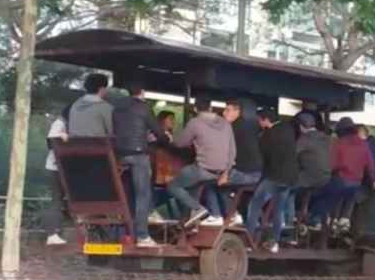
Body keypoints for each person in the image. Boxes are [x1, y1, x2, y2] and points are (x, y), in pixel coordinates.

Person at [112, 82, 171, 248]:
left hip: (120, 156)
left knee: (128, 193)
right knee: (142, 194)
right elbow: (157, 131)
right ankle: (143, 235)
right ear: (142, 92)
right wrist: (166, 139)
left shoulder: (116, 107)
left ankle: (124, 232)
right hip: (139, 155)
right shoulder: (143, 107)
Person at [168, 98, 236, 227]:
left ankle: (198, 209)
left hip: (203, 171)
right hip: (221, 173)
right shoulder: (225, 123)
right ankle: (190, 222)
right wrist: (226, 173)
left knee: (173, 186)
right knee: (192, 187)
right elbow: (232, 150)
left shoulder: (195, 122)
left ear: (195, 109)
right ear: (210, 108)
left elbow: (180, 143)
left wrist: (171, 139)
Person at [309, 117, 375, 231]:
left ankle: (318, 221)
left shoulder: (339, 143)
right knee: (342, 195)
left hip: (341, 180)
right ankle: (341, 220)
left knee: (319, 194)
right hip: (355, 184)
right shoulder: (364, 144)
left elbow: (332, 164)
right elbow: (370, 164)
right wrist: (374, 180)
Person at [246, 108, 297, 253]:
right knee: (278, 209)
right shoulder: (288, 129)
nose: (259, 124)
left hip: (274, 177)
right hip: (290, 177)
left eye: (259, 121)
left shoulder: (267, 136)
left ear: (266, 120)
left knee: (255, 204)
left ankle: (249, 239)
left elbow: (262, 159)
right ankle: (275, 242)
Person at [205, 99, 262, 225]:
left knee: (208, 181)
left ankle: (215, 215)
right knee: (221, 185)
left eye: (228, 110)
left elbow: (228, 154)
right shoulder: (247, 125)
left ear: (238, 111)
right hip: (255, 173)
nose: (224, 113)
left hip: (247, 173)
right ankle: (233, 215)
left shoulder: (234, 128)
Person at [284, 113, 331, 226]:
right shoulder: (326, 138)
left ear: (301, 126)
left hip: (310, 177)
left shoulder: (305, 138)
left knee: (285, 188)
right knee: (303, 191)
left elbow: (291, 155)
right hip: (326, 177)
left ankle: (288, 223)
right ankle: (312, 219)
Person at [352, 125, 375, 235]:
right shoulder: (370, 145)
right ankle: (360, 234)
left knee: (370, 210)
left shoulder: (367, 146)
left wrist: (374, 181)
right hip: (371, 182)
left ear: (361, 134)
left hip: (373, 182)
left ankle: (366, 236)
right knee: (368, 209)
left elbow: (372, 164)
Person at [44, 105, 71, 246]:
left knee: (61, 200)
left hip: (62, 168)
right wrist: (61, 136)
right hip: (54, 168)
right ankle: (52, 233)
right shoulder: (60, 123)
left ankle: (57, 230)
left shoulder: (68, 124)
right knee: (56, 200)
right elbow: (50, 141)